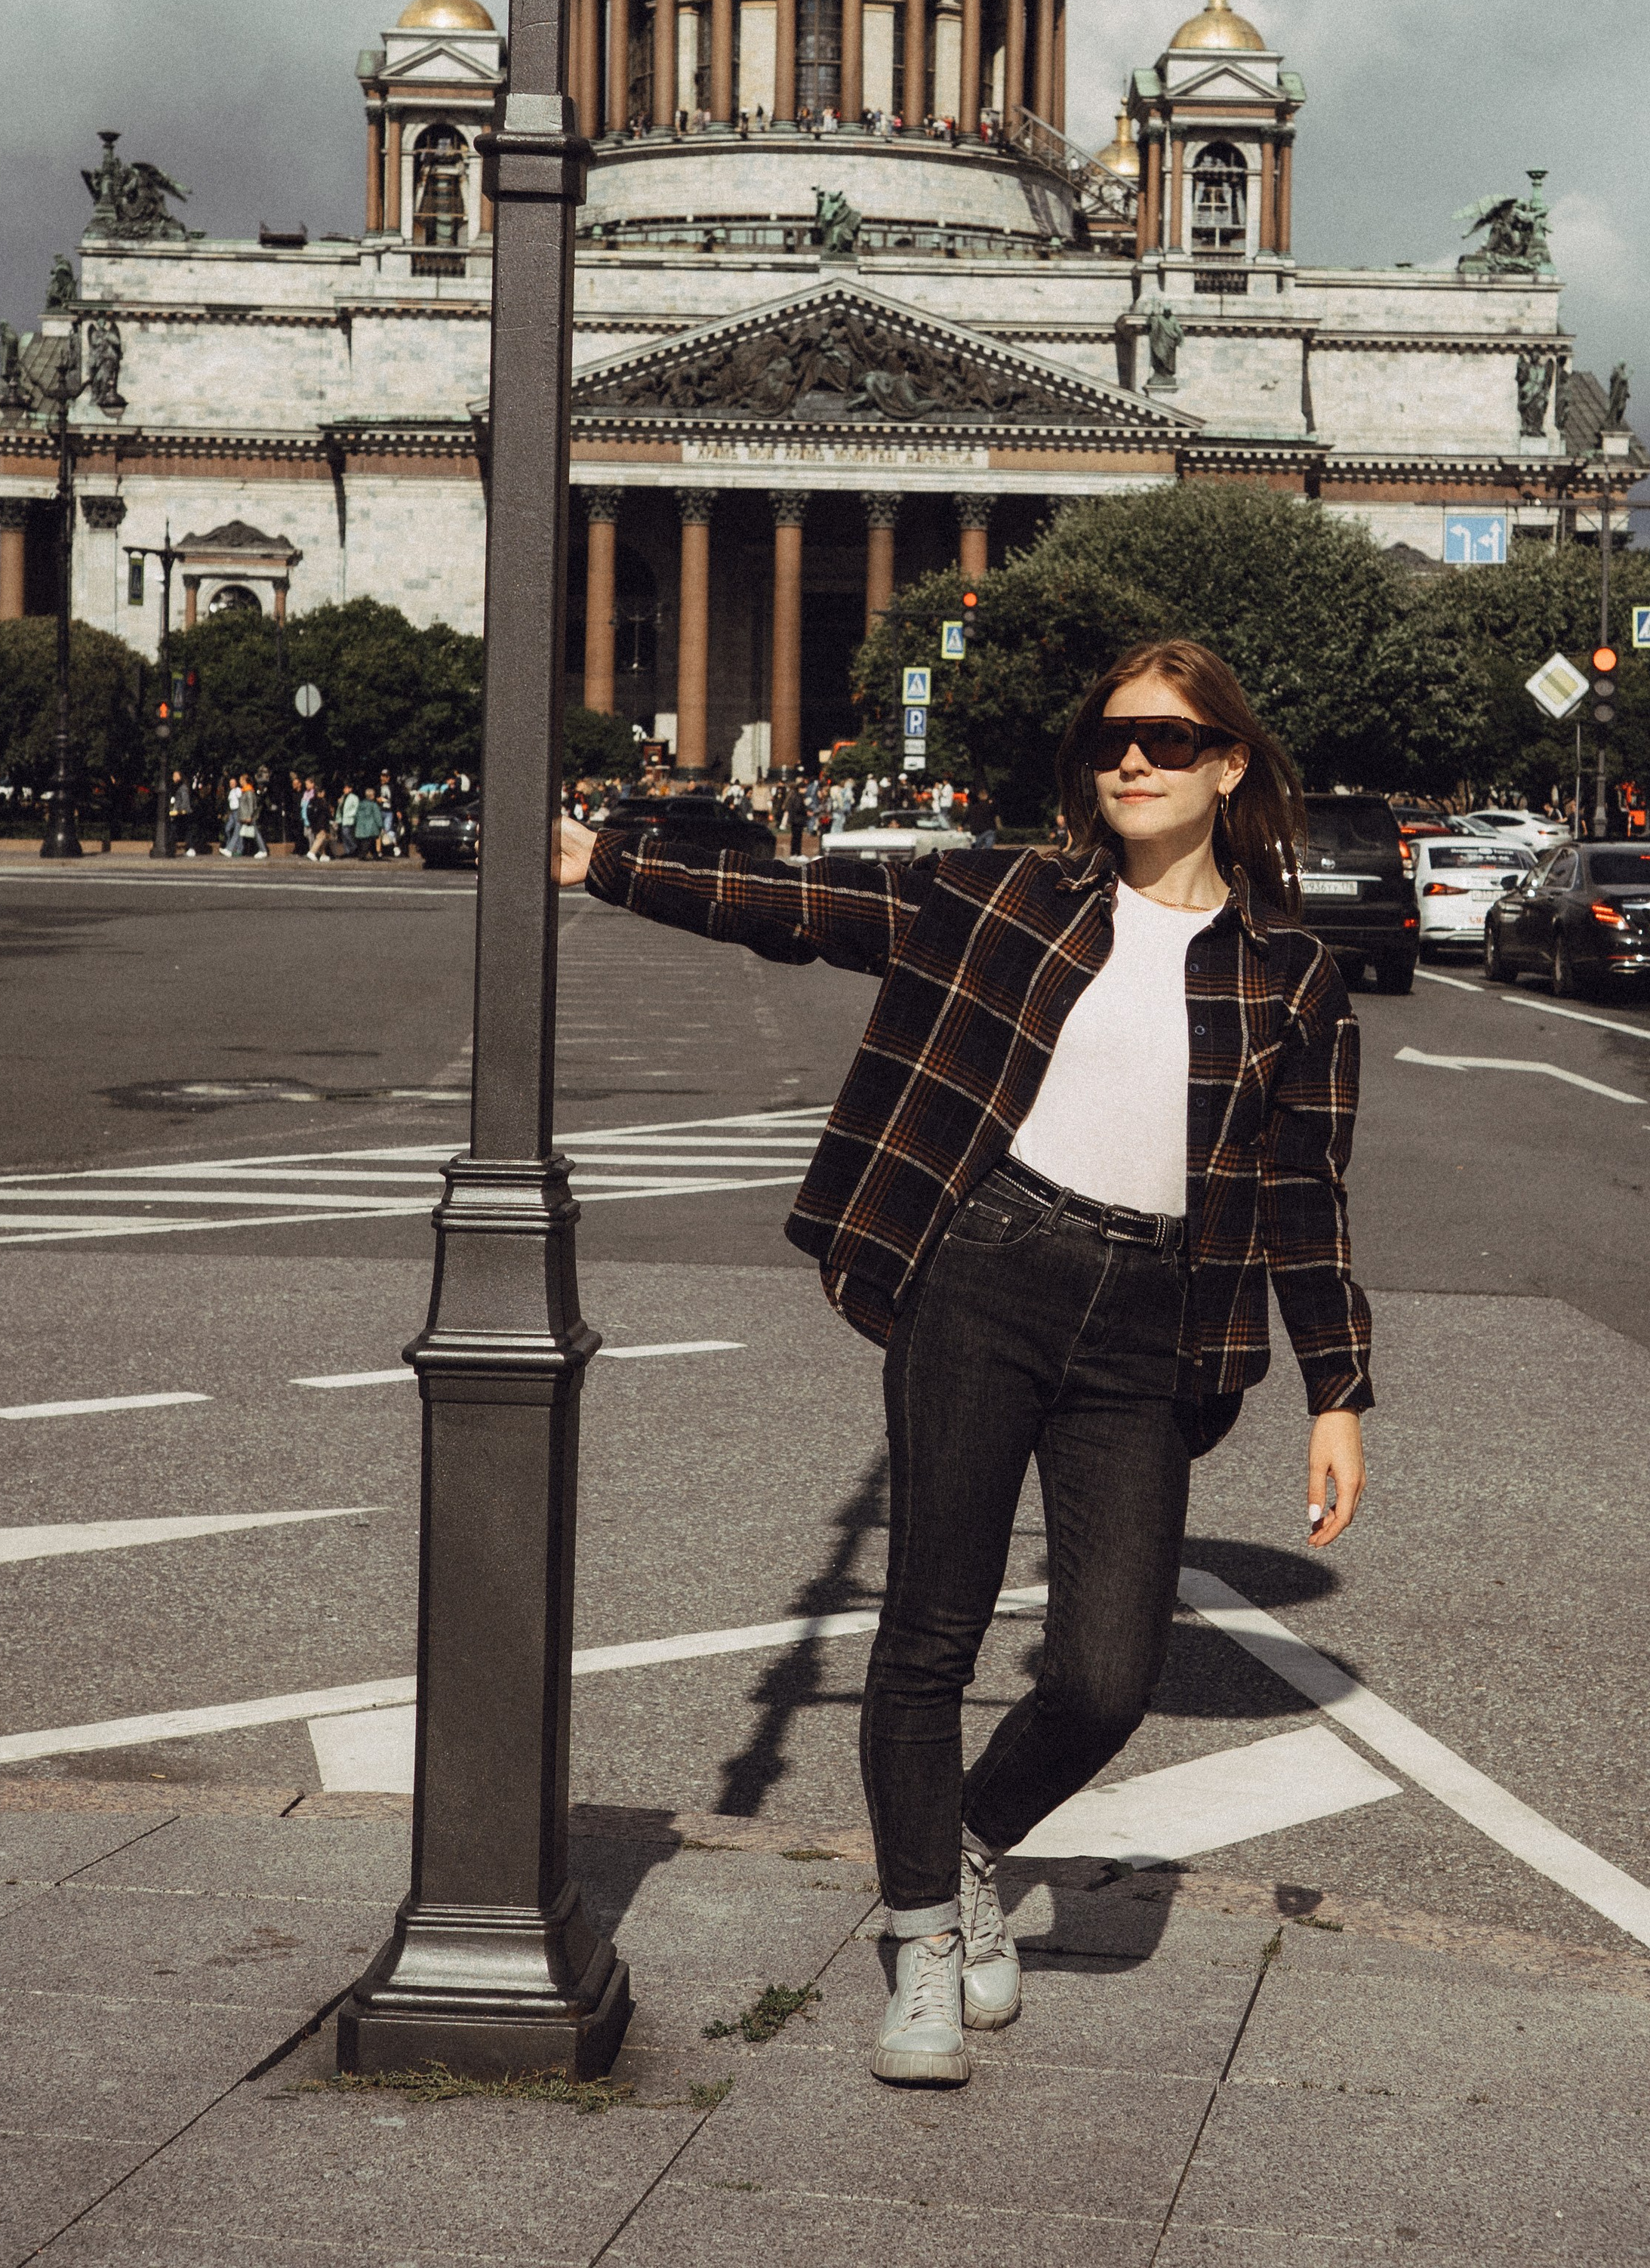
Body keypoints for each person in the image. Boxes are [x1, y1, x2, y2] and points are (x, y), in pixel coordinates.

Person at [557, 636, 1369, 2090]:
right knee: (932, 1630)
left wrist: (1338, 1391)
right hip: (984, 1273)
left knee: (1109, 1674)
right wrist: (605, 861)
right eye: (1113, 737)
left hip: (1154, 1325)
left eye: (1168, 742)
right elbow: (806, 902)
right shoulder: (1008, 898)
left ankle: (965, 1841)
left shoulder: (1291, 978)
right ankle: (925, 1933)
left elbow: (1306, 1197)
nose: (1131, 760)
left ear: (1229, 766)